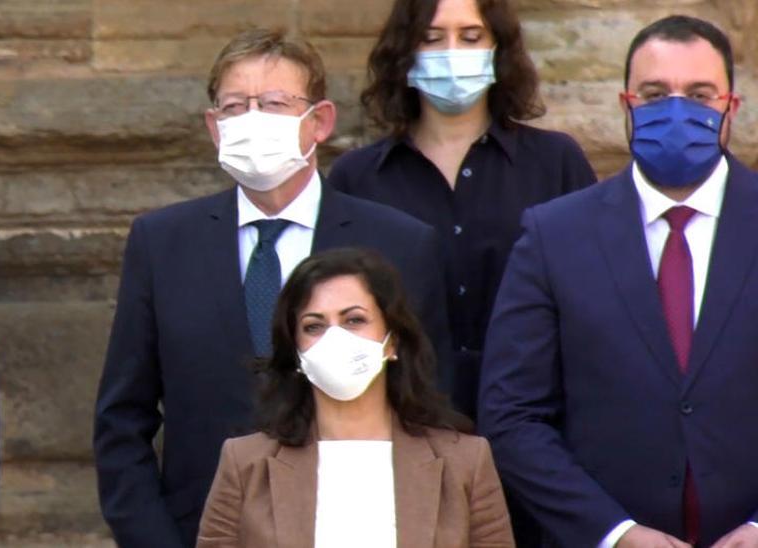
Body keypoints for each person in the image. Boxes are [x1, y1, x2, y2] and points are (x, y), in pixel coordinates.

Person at [93, 28, 451, 547]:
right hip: (203, 529)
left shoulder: (400, 243)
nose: (253, 121)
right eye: (236, 107)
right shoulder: (162, 243)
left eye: (276, 104)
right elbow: (122, 420)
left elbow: (432, 402)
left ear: (320, 121)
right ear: (214, 127)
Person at [479, 15, 758, 547]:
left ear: (731, 108)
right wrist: (615, 533)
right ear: (627, 103)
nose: (677, 111)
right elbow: (512, 415)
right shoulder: (554, 235)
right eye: (655, 93)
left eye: (700, 94)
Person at [328, 0, 596, 422]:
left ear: (498, 49)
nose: (452, 52)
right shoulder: (357, 177)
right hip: (403, 421)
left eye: (471, 37)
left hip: (537, 419)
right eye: (431, 39)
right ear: (405, 52)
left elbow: (592, 298)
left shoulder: (556, 162)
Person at [197, 248, 512, 547]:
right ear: (296, 351)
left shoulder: (465, 462)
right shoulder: (245, 463)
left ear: (392, 342)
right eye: (314, 326)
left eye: (354, 320)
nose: (335, 338)